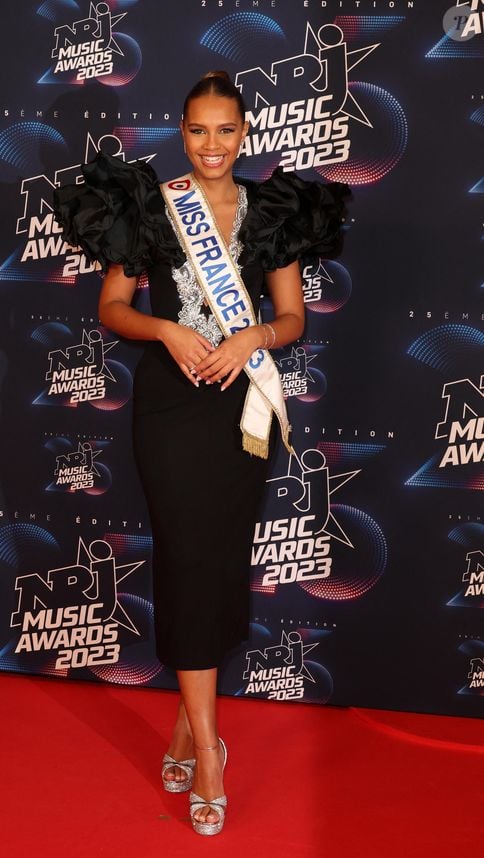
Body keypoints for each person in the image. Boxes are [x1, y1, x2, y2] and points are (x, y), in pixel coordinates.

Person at [54, 71, 349, 836]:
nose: (211, 145)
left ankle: (188, 724)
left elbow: (291, 320)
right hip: (171, 410)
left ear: (244, 134)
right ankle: (211, 753)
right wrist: (170, 330)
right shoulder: (151, 207)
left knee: (220, 559)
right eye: (197, 131)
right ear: (181, 132)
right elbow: (113, 309)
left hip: (241, 410)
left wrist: (253, 334)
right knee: (186, 558)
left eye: (225, 131)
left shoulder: (272, 210)